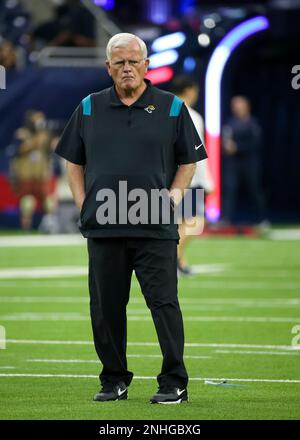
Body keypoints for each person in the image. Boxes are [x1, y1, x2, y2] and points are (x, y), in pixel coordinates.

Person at [55, 33, 207, 404]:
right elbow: (73, 160)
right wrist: (81, 203)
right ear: (108, 68)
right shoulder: (89, 107)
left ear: (146, 65)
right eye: (119, 62)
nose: (126, 68)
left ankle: (174, 381)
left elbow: (189, 160)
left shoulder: (172, 107)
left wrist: (172, 198)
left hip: (155, 224)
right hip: (104, 225)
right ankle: (114, 380)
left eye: (133, 61)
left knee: (164, 303)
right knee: (105, 306)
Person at [171, 76, 214, 276]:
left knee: (178, 223)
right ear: (189, 90)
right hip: (189, 178)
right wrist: (207, 180)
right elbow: (197, 152)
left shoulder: (163, 112)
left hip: (167, 177)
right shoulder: (192, 116)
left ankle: (180, 261)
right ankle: (173, 259)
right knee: (195, 221)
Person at [222, 96, 268, 227]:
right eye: (234, 105)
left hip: (250, 163)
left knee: (255, 190)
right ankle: (225, 219)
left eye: (238, 105)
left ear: (246, 106)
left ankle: (262, 219)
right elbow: (225, 140)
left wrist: (237, 147)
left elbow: (255, 144)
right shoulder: (230, 123)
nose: (236, 108)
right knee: (229, 189)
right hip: (233, 163)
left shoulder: (253, 124)